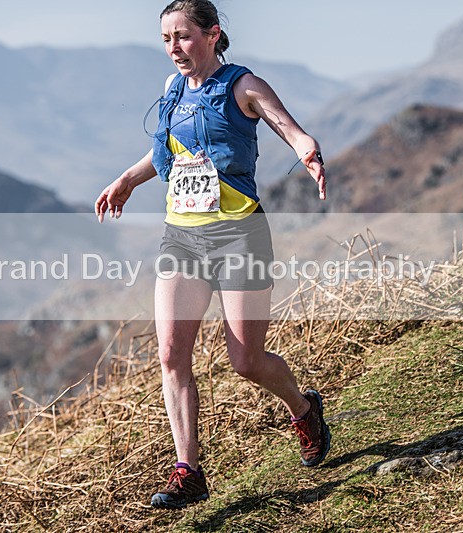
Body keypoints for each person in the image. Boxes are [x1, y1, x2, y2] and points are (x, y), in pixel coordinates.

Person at [94, 0, 329, 510]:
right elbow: (169, 152)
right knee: (171, 355)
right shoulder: (172, 90)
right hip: (183, 238)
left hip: (240, 236)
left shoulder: (243, 86)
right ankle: (189, 472)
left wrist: (307, 151)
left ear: (212, 34)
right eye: (165, 39)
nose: (174, 48)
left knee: (245, 361)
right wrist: (127, 180)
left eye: (182, 36)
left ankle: (303, 406)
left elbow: (286, 126)